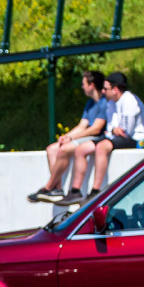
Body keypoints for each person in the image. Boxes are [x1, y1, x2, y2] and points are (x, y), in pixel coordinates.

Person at [60, 71, 144, 207]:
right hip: (118, 136)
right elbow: (111, 129)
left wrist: (114, 130)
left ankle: (96, 191)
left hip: (139, 140)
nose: (103, 91)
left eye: (106, 88)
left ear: (115, 90)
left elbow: (126, 131)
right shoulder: (111, 102)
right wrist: (114, 130)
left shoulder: (129, 100)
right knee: (82, 148)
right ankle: (75, 191)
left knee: (102, 147)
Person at [28, 71, 111, 203]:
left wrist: (71, 139)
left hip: (97, 138)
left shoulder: (104, 103)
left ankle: (48, 187)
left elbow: (96, 129)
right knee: (52, 149)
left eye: (84, 84)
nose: (82, 87)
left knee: (65, 149)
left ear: (92, 85)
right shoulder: (90, 103)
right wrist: (66, 136)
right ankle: (57, 188)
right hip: (87, 136)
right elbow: (82, 125)